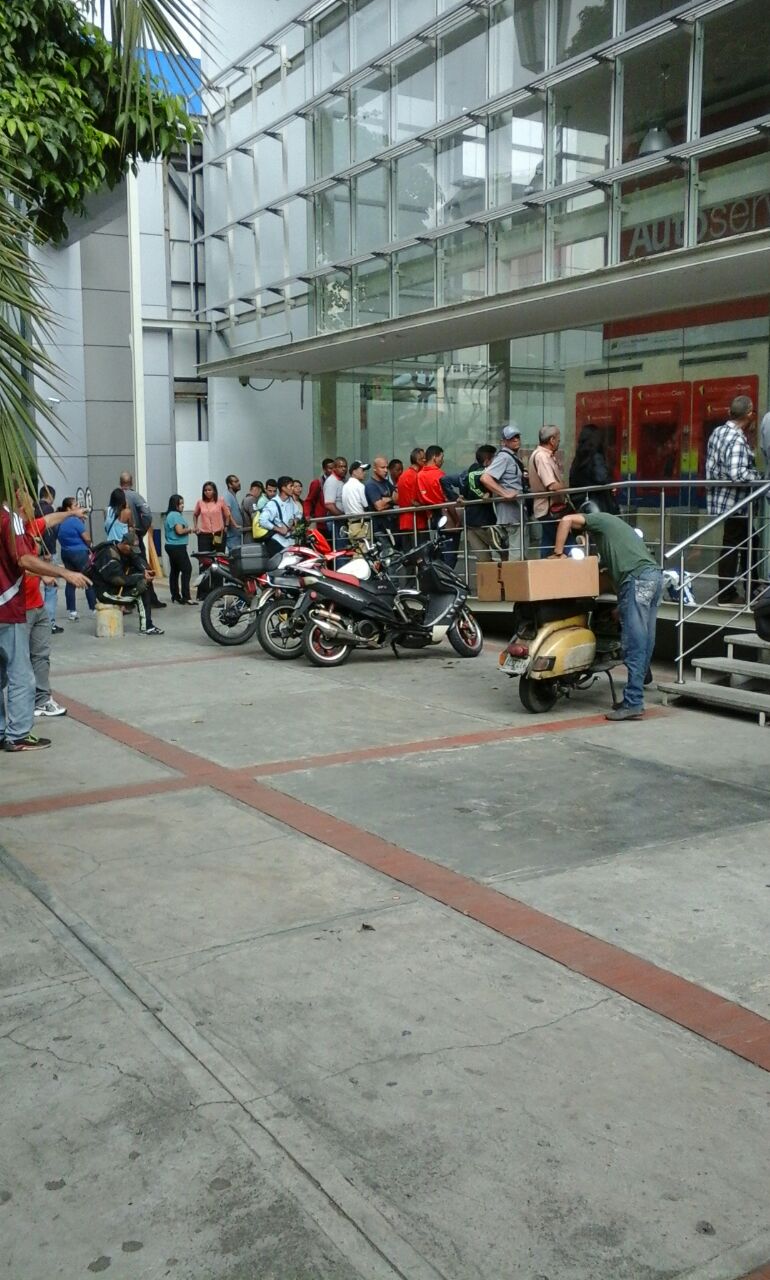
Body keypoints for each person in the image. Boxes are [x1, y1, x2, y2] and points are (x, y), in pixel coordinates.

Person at [552, 503, 664, 722]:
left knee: (633, 642)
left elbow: (565, 520)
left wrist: (557, 554)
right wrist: (621, 607)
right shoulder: (616, 531)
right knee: (645, 639)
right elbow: (616, 574)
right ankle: (634, 696)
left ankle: (633, 703)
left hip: (637, 579)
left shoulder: (600, 519)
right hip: (653, 578)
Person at [1, 493, 90, 752]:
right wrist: (62, 572)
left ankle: (16, 720)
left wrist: (71, 514)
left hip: (26, 607)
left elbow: (48, 519)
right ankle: (18, 734)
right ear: (17, 500)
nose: (33, 505)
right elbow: (23, 560)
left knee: (35, 660)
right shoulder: (12, 522)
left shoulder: (23, 523)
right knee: (20, 673)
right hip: (13, 608)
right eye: (27, 498)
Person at [705, 394, 762, 604]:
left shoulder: (718, 432)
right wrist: (759, 479)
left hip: (723, 500)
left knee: (750, 540)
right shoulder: (736, 438)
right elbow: (738, 473)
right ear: (749, 414)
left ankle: (751, 587)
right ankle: (728, 594)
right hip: (735, 502)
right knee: (733, 544)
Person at [90, 528, 164, 635]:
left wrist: (146, 570)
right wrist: (140, 577)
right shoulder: (109, 555)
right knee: (142, 592)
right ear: (125, 544)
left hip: (116, 588)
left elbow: (137, 559)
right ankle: (146, 627)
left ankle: (146, 625)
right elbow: (117, 580)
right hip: (106, 592)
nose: (132, 552)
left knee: (143, 583)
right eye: (131, 549)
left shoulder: (124, 549)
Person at [480, 425, 527, 558]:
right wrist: (504, 493)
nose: (516, 440)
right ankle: (512, 578)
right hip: (510, 513)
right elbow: (485, 478)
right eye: (511, 438)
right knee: (516, 554)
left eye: (517, 437)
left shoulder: (512, 457)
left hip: (515, 511)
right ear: (504, 441)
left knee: (515, 551)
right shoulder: (504, 457)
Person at [120, 470, 164, 609]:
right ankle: (149, 598)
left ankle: (127, 600)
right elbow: (147, 513)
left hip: (119, 540)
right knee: (143, 566)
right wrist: (143, 529)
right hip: (134, 536)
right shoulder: (135, 496)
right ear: (131, 482)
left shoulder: (116, 496)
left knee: (124, 569)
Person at [529, 425, 571, 558]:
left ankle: (544, 574)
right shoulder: (542, 457)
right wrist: (566, 488)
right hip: (550, 509)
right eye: (558, 439)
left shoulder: (542, 455)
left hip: (547, 508)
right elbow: (551, 485)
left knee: (548, 545)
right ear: (552, 440)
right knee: (566, 544)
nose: (559, 442)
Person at [460, 445, 497, 575]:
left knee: (483, 561)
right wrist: (484, 495)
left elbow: (460, 491)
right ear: (487, 461)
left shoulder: (468, 472)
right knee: (505, 551)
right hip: (485, 522)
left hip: (470, 522)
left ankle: (491, 588)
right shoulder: (485, 473)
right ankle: (505, 586)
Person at [57, 497, 97, 619]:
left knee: (70, 581)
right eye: (75, 505)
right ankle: (93, 608)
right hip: (79, 552)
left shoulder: (61, 521)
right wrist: (90, 546)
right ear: (68, 508)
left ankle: (72, 612)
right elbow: (87, 538)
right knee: (88, 579)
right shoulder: (75, 521)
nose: (78, 506)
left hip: (66, 552)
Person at [569, 424, 618, 513]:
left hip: (583, 502)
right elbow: (601, 477)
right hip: (598, 502)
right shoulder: (596, 456)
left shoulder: (578, 457)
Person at [37, 485, 61, 633]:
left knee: (34, 585)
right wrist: (47, 551)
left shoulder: (32, 508)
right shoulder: (48, 510)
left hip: (34, 552)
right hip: (47, 552)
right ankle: (49, 622)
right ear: (50, 496)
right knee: (51, 588)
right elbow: (48, 532)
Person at [164, 495, 195, 605]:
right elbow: (179, 531)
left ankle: (175, 595)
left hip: (171, 546)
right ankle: (186, 596)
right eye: (180, 503)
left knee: (175, 570)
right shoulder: (175, 515)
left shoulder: (170, 515)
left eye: (183, 503)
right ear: (175, 505)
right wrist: (190, 529)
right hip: (177, 546)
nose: (183, 505)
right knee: (187, 569)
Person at [258, 476, 300, 557]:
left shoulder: (291, 501)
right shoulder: (272, 504)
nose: (293, 488)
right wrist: (278, 529)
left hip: (290, 542)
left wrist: (295, 521)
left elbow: (298, 513)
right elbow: (262, 520)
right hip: (277, 542)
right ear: (283, 488)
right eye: (291, 486)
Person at [396, 447, 427, 541]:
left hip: (404, 522)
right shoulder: (416, 476)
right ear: (418, 460)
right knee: (422, 553)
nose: (426, 461)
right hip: (417, 522)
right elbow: (414, 501)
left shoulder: (403, 476)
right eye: (424, 459)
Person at [193, 481, 231, 553]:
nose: (207, 492)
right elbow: (195, 515)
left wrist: (226, 526)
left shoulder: (220, 501)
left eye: (209, 490)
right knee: (205, 558)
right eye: (205, 490)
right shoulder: (200, 502)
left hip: (219, 534)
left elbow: (227, 514)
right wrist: (195, 527)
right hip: (204, 535)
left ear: (214, 491)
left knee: (219, 556)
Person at [365, 456, 395, 539]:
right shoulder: (371, 485)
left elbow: (397, 498)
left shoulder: (386, 482)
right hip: (379, 528)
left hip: (390, 524)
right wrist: (391, 500)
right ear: (375, 468)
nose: (386, 470)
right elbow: (379, 506)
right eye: (382, 467)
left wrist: (387, 500)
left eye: (387, 467)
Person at [341, 461, 371, 544]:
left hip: (350, 525)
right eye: (362, 470)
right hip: (361, 524)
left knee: (357, 551)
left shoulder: (345, 486)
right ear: (354, 471)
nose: (364, 473)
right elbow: (366, 505)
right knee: (363, 551)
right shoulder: (360, 486)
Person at [304, 459, 334, 533]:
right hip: (322, 522)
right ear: (324, 469)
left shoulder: (338, 482)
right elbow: (309, 500)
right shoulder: (317, 483)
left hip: (334, 519)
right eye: (330, 468)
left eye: (334, 468)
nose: (333, 471)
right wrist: (307, 514)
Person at [323, 456, 348, 545]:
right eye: (340, 467)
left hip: (341, 520)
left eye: (345, 466)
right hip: (336, 521)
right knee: (340, 548)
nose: (344, 469)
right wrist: (342, 517)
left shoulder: (342, 480)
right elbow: (329, 505)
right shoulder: (331, 481)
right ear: (334, 468)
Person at [223, 474, 243, 552]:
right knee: (234, 557)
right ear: (229, 485)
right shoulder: (227, 496)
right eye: (236, 481)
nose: (239, 483)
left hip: (236, 534)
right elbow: (227, 512)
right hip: (232, 535)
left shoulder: (232, 495)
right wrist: (235, 525)